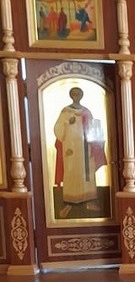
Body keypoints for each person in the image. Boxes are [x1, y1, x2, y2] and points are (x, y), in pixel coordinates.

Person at [53, 86, 107, 218]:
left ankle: (89, 201)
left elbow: (92, 129)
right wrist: (67, 122)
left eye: (78, 94)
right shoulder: (66, 111)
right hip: (70, 149)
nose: (76, 96)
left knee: (87, 174)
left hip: (85, 149)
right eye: (74, 94)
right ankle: (69, 203)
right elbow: (58, 129)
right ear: (71, 96)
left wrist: (96, 135)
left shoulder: (86, 112)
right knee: (71, 173)